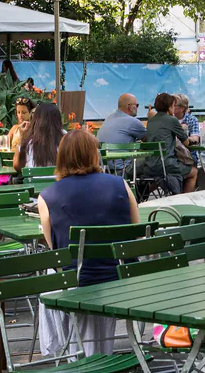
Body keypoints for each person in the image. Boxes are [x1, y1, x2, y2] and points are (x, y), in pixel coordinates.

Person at [36, 129, 139, 356]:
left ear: (61, 157)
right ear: (94, 155)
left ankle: (70, 353)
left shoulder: (46, 196)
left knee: (52, 277)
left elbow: (55, 248)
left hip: (77, 281)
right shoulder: (121, 184)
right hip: (123, 278)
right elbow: (136, 232)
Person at [141, 92, 197, 194]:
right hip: (167, 166)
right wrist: (193, 140)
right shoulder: (172, 120)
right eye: (173, 105)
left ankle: (143, 193)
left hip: (150, 166)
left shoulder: (151, 121)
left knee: (162, 175)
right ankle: (183, 200)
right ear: (170, 106)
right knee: (194, 172)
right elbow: (186, 143)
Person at [14, 103, 63, 172]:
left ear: (36, 120)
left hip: (33, 181)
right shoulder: (65, 139)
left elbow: (17, 167)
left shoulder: (29, 141)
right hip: (59, 181)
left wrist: (22, 139)